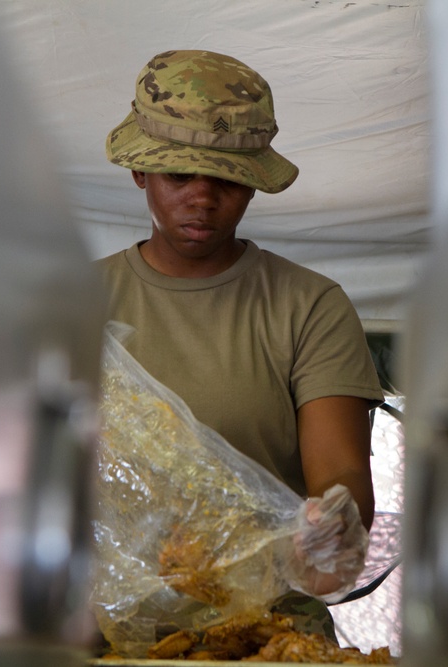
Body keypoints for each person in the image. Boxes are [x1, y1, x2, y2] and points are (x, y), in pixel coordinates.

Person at [97, 49, 384, 639]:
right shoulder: (73, 305)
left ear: (252, 186)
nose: (203, 199)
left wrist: (326, 534)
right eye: (180, 176)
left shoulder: (307, 307)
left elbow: (340, 474)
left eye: (227, 180)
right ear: (139, 172)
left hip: (270, 634)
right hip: (104, 633)